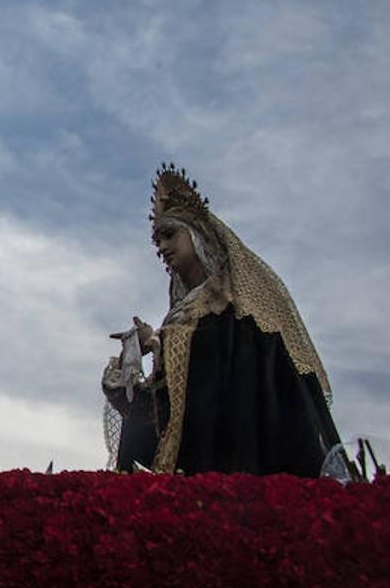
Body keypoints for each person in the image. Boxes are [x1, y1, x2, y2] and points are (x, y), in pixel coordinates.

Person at [103, 165, 342, 476]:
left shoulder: (237, 313)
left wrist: (160, 342)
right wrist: (134, 356)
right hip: (194, 472)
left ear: (198, 236)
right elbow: (160, 416)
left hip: (242, 467)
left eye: (169, 235)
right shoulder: (180, 318)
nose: (161, 248)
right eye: (156, 241)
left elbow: (224, 381)